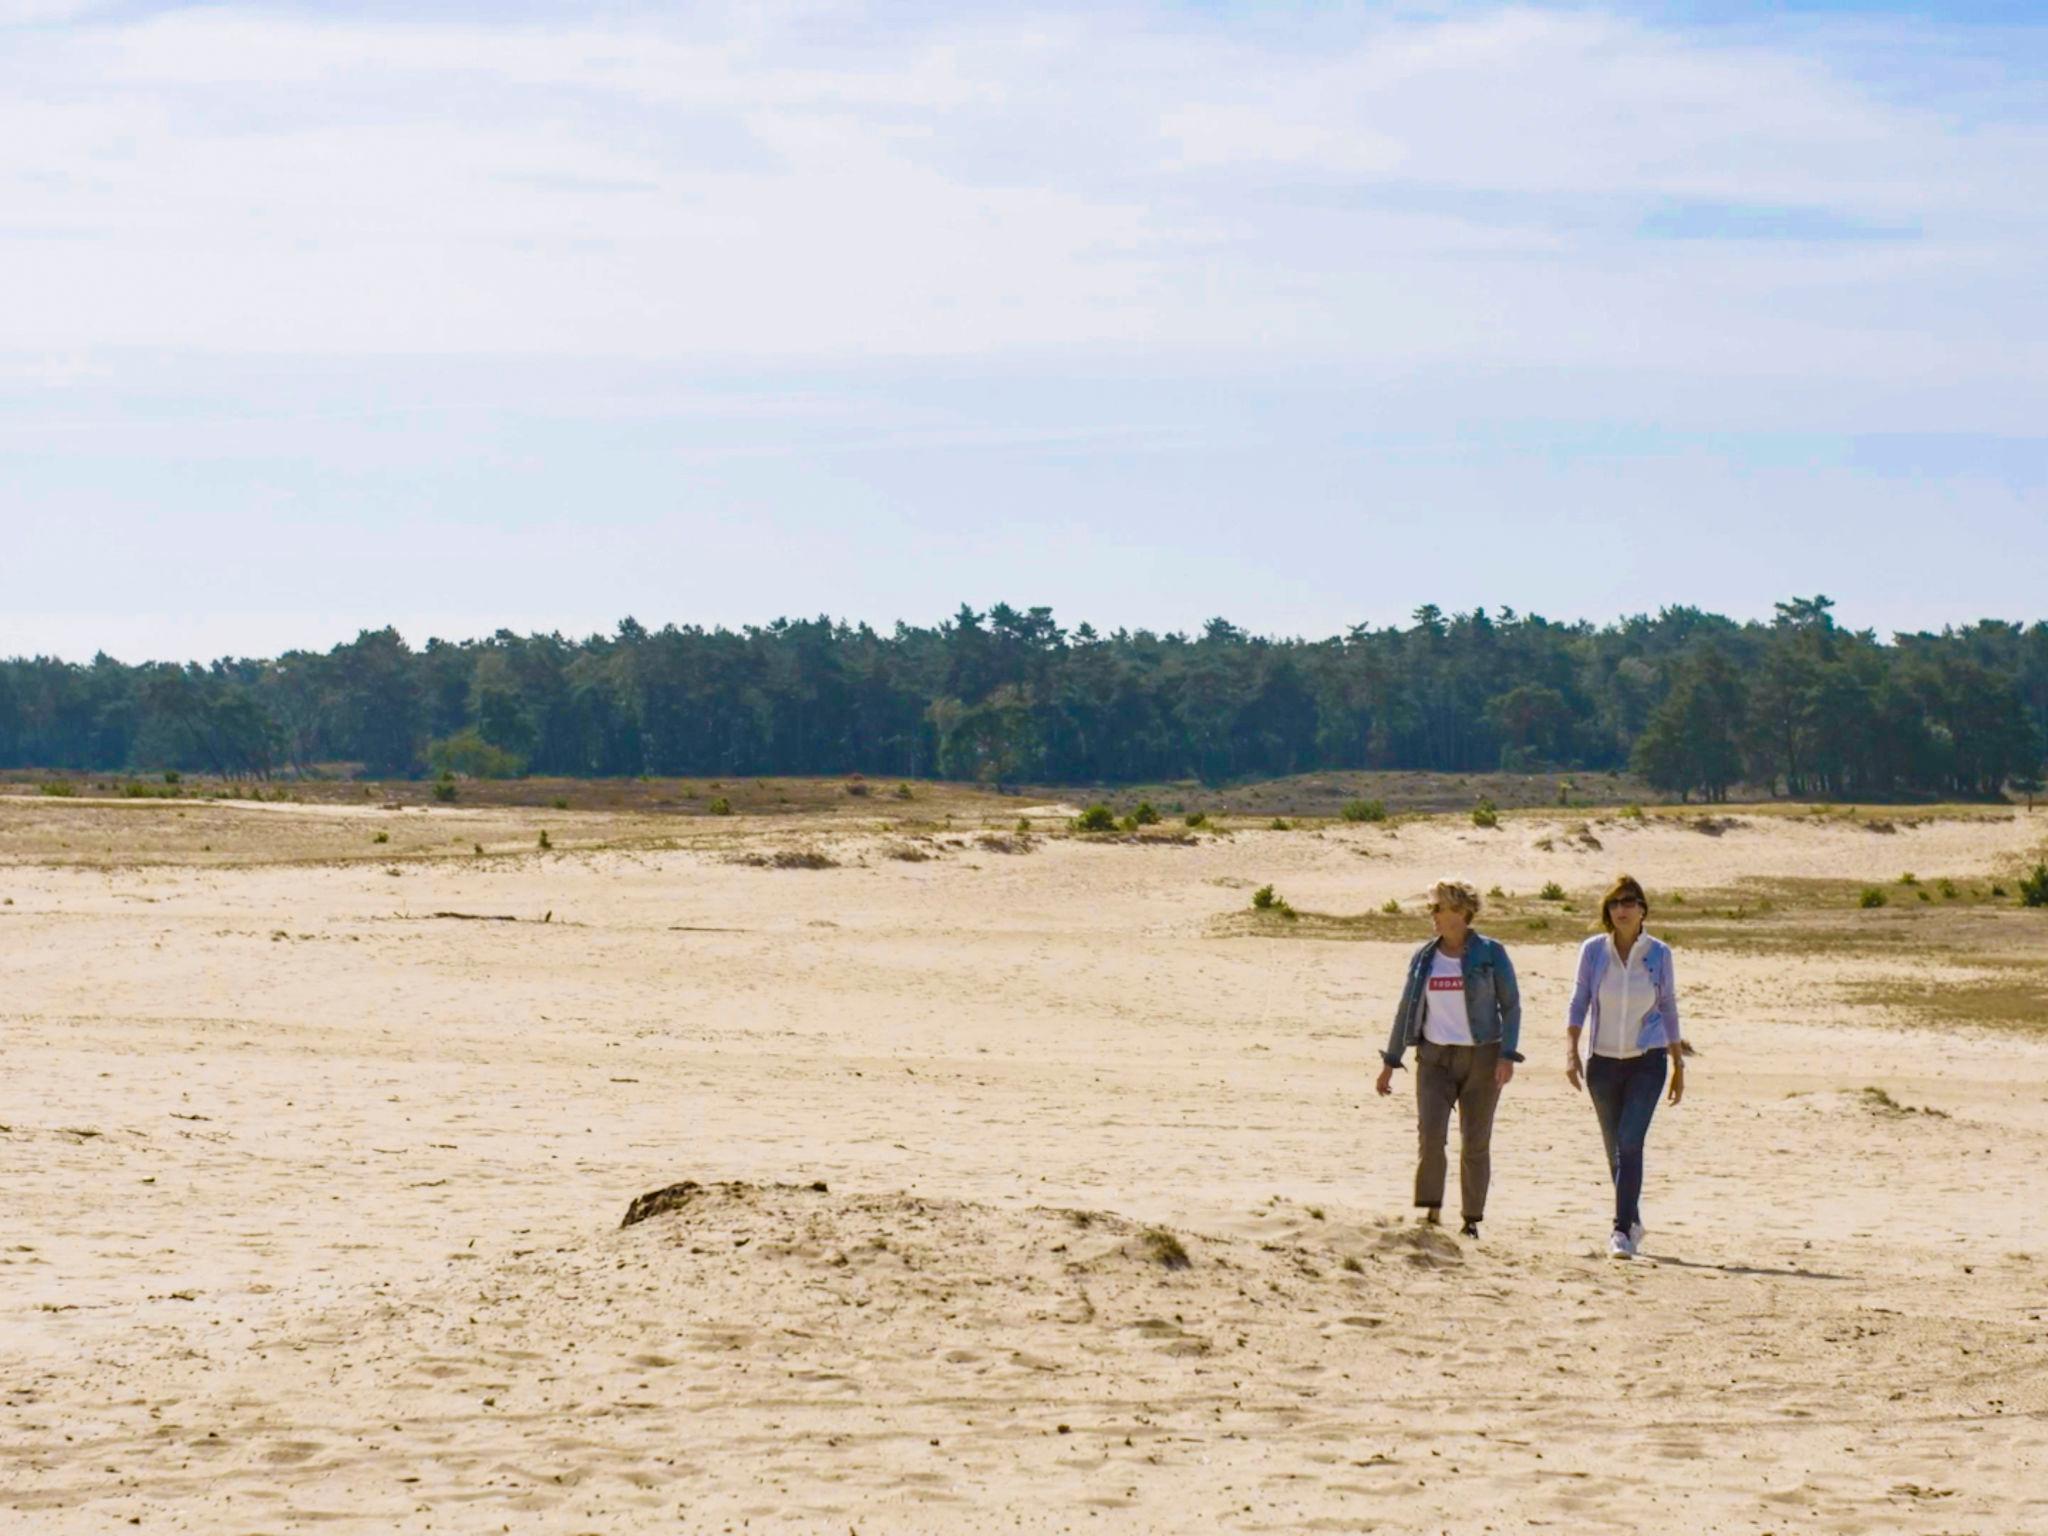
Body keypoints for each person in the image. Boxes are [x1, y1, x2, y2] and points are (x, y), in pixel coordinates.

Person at [1375, 879, 1523, 1238]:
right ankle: (1430, 1211)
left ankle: (1471, 1219)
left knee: (1475, 1141)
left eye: (1438, 907)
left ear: (1460, 911)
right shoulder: (1424, 957)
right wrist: (1391, 1061)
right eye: (1432, 908)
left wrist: (1507, 1055)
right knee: (1430, 1136)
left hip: (1483, 1058)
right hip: (1434, 1058)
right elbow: (1405, 1009)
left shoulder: (1491, 953)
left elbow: (1512, 1005)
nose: (1434, 915)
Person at [1566, 873, 1685, 1259]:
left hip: (1647, 1061)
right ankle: (1632, 1219)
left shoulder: (1658, 954)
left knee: (1630, 1142)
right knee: (1614, 1150)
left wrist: (1677, 1063)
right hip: (1602, 1062)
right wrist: (1571, 1050)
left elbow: (1667, 1005)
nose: (1622, 909)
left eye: (1629, 901)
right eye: (1615, 903)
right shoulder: (1593, 951)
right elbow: (1579, 1000)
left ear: (1643, 909)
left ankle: (1619, 1232)